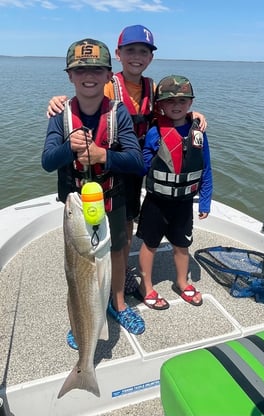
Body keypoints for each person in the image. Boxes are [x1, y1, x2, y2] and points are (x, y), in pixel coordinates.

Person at [46, 25, 208, 295]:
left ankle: (121, 264)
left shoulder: (152, 87)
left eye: (143, 51)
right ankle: (109, 267)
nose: (137, 56)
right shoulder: (108, 85)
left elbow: (171, 111)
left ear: (150, 57)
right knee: (110, 220)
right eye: (130, 50)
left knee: (129, 216)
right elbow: (84, 97)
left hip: (139, 162)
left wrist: (194, 115)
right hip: (108, 163)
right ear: (118, 55)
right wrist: (55, 102)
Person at [42, 38, 146, 347]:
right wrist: (67, 148)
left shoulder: (119, 113)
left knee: (115, 255)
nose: (89, 76)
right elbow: (48, 161)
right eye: (81, 70)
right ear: (70, 75)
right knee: (75, 267)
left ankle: (118, 303)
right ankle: (79, 320)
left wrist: (104, 155)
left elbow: (137, 161)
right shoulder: (60, 115)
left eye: (97, 70)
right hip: (75, 207)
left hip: (111, 201)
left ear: (107, 75)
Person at [134, 75, 213, 310]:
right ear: (160, 105)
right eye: (170, 101)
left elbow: (206, 168)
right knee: (150, 244)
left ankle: (182, 282)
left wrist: (205, 202)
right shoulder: (153, 132)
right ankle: (145, 286)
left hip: (184, 202)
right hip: (155, 202)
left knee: (182, 245)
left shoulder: (199, 133)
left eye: (182, 100)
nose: (176, 105)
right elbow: (144, 166)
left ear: (190, 104)